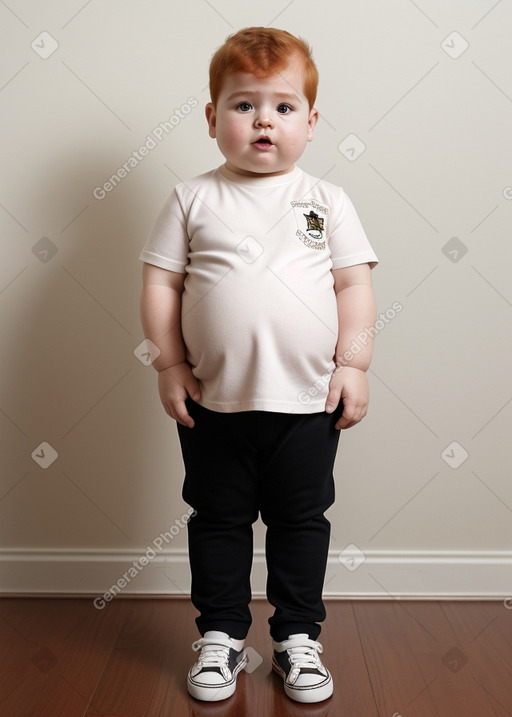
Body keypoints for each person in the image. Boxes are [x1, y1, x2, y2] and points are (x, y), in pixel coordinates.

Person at [139, 26, 378, 704]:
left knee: (302, 522)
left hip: (307, 404)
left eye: (282, 107)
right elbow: (161, 286)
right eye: (243, 106)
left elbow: (355, 288)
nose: (263, 121)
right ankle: (221, 634)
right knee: (217, 519)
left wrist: (353, 366)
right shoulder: (192, 198)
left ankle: (298, 636)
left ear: (311, 120)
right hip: (213, 403)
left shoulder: (327, 202)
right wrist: (168, 364)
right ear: (213, 118)